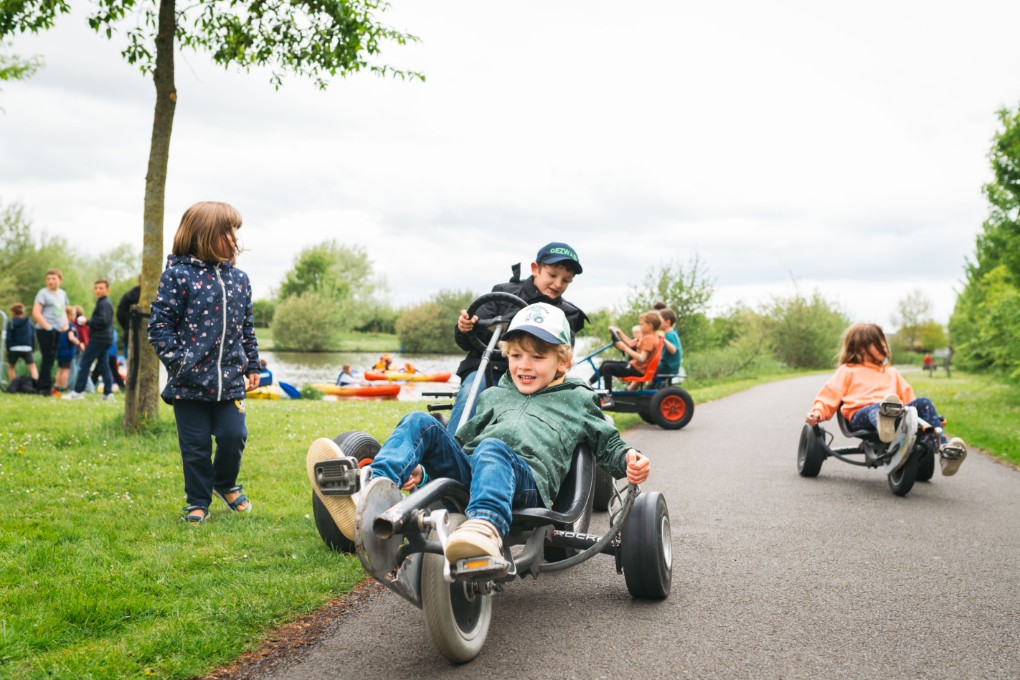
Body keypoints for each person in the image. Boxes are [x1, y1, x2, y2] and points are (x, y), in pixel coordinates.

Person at [306, 303, 650, 565]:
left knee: (492, 448)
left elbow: (608, 443)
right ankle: (372, 492)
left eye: (537, 356)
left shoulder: (577, 398)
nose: (524, 365)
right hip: (476, 471)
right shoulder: (495, 395)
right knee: (420, 422)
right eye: (516, 355)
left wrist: (629, 459)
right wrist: (425, 472)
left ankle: (485, 526)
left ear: (562, 362)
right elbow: (459, 447)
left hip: (525, 485)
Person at [148, 201, 261, 524]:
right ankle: (198, 501)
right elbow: (159, 327)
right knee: (195, 446)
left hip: (231, 382)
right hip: (188, 385)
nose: (235, 238)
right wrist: (181, 363)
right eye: (229, 231)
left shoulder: (240, 279)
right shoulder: (178, 277)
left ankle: (225, 483)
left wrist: (252, 365)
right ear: (205, 235)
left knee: (233, 436)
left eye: (236, 231)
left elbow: (246, 327)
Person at [449, 242, 588, 432]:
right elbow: (468, 341)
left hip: (537, 375)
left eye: (566, 280)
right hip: (489, 369)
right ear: (535, 269)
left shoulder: (569, 314)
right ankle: (453, 445)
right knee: (471, 391)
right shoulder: (502, 293)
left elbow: (563, 357)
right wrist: (465, 328)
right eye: (552, 275)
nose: (558, 284)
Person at [805, 323, 967, 476]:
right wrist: (818, 412)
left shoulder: (891, 373)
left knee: (923, 402)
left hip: (897, 414)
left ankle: (945, 451)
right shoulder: (848, 370)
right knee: (877, 408)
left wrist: (929, 419)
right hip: (862, 415)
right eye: (877, 342)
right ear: (860, 347)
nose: (883, 345)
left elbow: (909, 400)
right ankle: (885, 424)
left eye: (883, 341)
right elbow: (830, 393)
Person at [66, 280, 116, 401]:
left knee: (85, 363)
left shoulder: (104, 304)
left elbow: (103, 321)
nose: (98, 290)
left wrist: (87, 322)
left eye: (101, 288)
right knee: (104, 365)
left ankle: (78, 392)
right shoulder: (104, 303)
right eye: (96, 288)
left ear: (107, 290)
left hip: (99, 339)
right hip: (105, 339)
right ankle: (108, 393)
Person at [595, 311, 662, 400]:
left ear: (650, 325)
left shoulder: (649, 340)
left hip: (638, 370)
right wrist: (619, 332)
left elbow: (641, 358)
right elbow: (630, 343)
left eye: (642, 325)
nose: (640, 327)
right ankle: (589, 383)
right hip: (634, 366)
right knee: (605, 363)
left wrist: (624, 348)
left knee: (607, 367)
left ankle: (607, 399)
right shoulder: (646, 336)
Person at [32, 268, 70, 396]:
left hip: (58, 330)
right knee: (47, 358)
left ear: (60, 280)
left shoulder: (62, 294)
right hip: (45, 330)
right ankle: (44, 388)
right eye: (48, 279)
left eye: (53, 278)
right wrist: (48, 327)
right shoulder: (43, 293)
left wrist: (66, 324)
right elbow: (36, 313)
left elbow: (64, 310)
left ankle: (45, 386)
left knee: (52, 359)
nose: (50, 281)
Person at [5, 303, 39, 384]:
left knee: (11, 367)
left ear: (13, 312)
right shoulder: (29, 322)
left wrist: (8, 348)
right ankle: (36, 384)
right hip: (27, 347)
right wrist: (32, 348)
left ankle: (13, 384)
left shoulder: (11, 322)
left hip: (14, 348)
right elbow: (33, 336)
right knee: (32, 366)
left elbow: (8, 337)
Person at [55, 307, 82, 393]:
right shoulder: (70, 326)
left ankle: (56, 387)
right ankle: (64, 387)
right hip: (68, 351)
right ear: (67, 315)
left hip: (60, 351)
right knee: (66, 370)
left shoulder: (60, 325)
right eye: (73, 314)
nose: (75, 316)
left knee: (60, 369)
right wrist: (79, 343)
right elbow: (71, 337)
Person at [116, 276, 141, 353]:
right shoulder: (131, 295)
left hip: (130, 331)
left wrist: (127, 326)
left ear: (137, 281)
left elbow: (120, 314)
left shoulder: (130, 295)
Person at [656, 308, 682, 379]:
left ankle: (631, 387)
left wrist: (663, 339)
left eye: (659, 321)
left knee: (644, 366)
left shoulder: (670, 335)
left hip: (668, 368)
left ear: (667, 322)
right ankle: (652, 383)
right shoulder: (671, 334)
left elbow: (673, 350)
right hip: (668, 367)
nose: (656, 323)